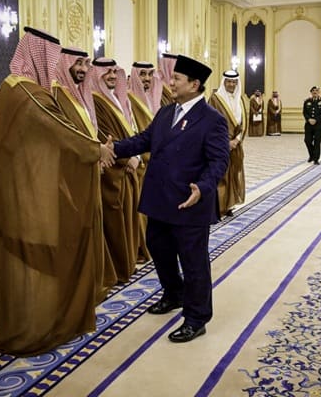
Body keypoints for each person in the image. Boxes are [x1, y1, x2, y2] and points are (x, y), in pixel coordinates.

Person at [0, 27, 114, 357]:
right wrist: (97, 150)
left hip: (30, 185)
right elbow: (60, 130)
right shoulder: (27, 93)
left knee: (31, 260)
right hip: (31, 193)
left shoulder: (14, 88)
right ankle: (34, 330)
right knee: (36, 259)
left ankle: (37, 322)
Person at [109, 55, 229, 343]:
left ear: (194, 84)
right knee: (158, 249)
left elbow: (219, 161)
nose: (170, 82)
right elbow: (143, 140)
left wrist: (203, 187)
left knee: (193, 262)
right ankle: (174, 293)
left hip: (189, 203)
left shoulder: (212, 120)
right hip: (160, 199)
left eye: (176, 78)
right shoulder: (165, 113)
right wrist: (113, 148)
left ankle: (196, 318)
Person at [53, 47, 117, 303]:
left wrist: (99, 154)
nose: (82, 69)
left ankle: (91, 281)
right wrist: (96, 153)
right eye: (77, 63)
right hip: (71, 176)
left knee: (91, 228)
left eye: (85, 64)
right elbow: (66, 137)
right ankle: (77, 289)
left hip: (90, 169)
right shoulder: (58, 95)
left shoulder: (80, 94)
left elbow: (90, 132)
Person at [87, 57, 141, 283]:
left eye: (113, 72)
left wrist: (136, 156)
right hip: (112, 171)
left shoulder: (116, 98)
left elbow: (130, 129)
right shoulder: (95, 100)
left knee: (127, 217)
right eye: (106, 72)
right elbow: (104, 135)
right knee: (115, 221)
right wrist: (128, 158)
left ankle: (128, 262)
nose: (111, 76)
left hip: (126, 167)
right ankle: (118, 268)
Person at [128, 61, 164, 264]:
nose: (147, 79)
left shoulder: (155, 99)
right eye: (142, 74)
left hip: (156, 166)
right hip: (140, 165)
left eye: (150, 74)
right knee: (140, 212)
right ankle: (141, 247)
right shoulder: (128, 99)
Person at [208, 69, 248, 217]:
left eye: (234, 82)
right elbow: (210, 124)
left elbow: (243, 123)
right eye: (229, 81)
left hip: (236, 145)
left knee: (232, 175)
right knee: (221, 175)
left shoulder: (240, 100)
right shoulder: (215, 99)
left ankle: (229, 205)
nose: (231, 84)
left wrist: (237, 140)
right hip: (220, 145)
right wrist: (226, 142)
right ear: (224, 82)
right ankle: (218, 207)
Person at [302, 86, 321, 164]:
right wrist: (308, 119)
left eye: (316, 90)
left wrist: (316, 119)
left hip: (318, 125)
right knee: (307, 140)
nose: (314, 92)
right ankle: (312, 155)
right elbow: (304, 112)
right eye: (313, 91)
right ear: (311, 92)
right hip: (308, 125)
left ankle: (316, 159)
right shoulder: (307, 101)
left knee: (317, 142)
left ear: (318, 92)